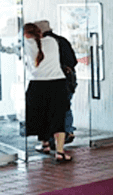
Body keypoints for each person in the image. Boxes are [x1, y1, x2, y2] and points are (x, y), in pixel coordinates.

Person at [23, 22, 72, 162]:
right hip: (57, 83)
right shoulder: (52, 41)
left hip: (37, 85)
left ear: (25, 34)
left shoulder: (27, 44)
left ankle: (45, 144)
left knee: (40, 115)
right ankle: (60, 152)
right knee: (58, 117)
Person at [35, 20, 78, 152]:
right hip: (67, 80)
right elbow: (73, 61)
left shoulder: (43, 43)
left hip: (50, 81)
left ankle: (48, 142)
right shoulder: (62, 40)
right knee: (65, 106)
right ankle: (68, 132)